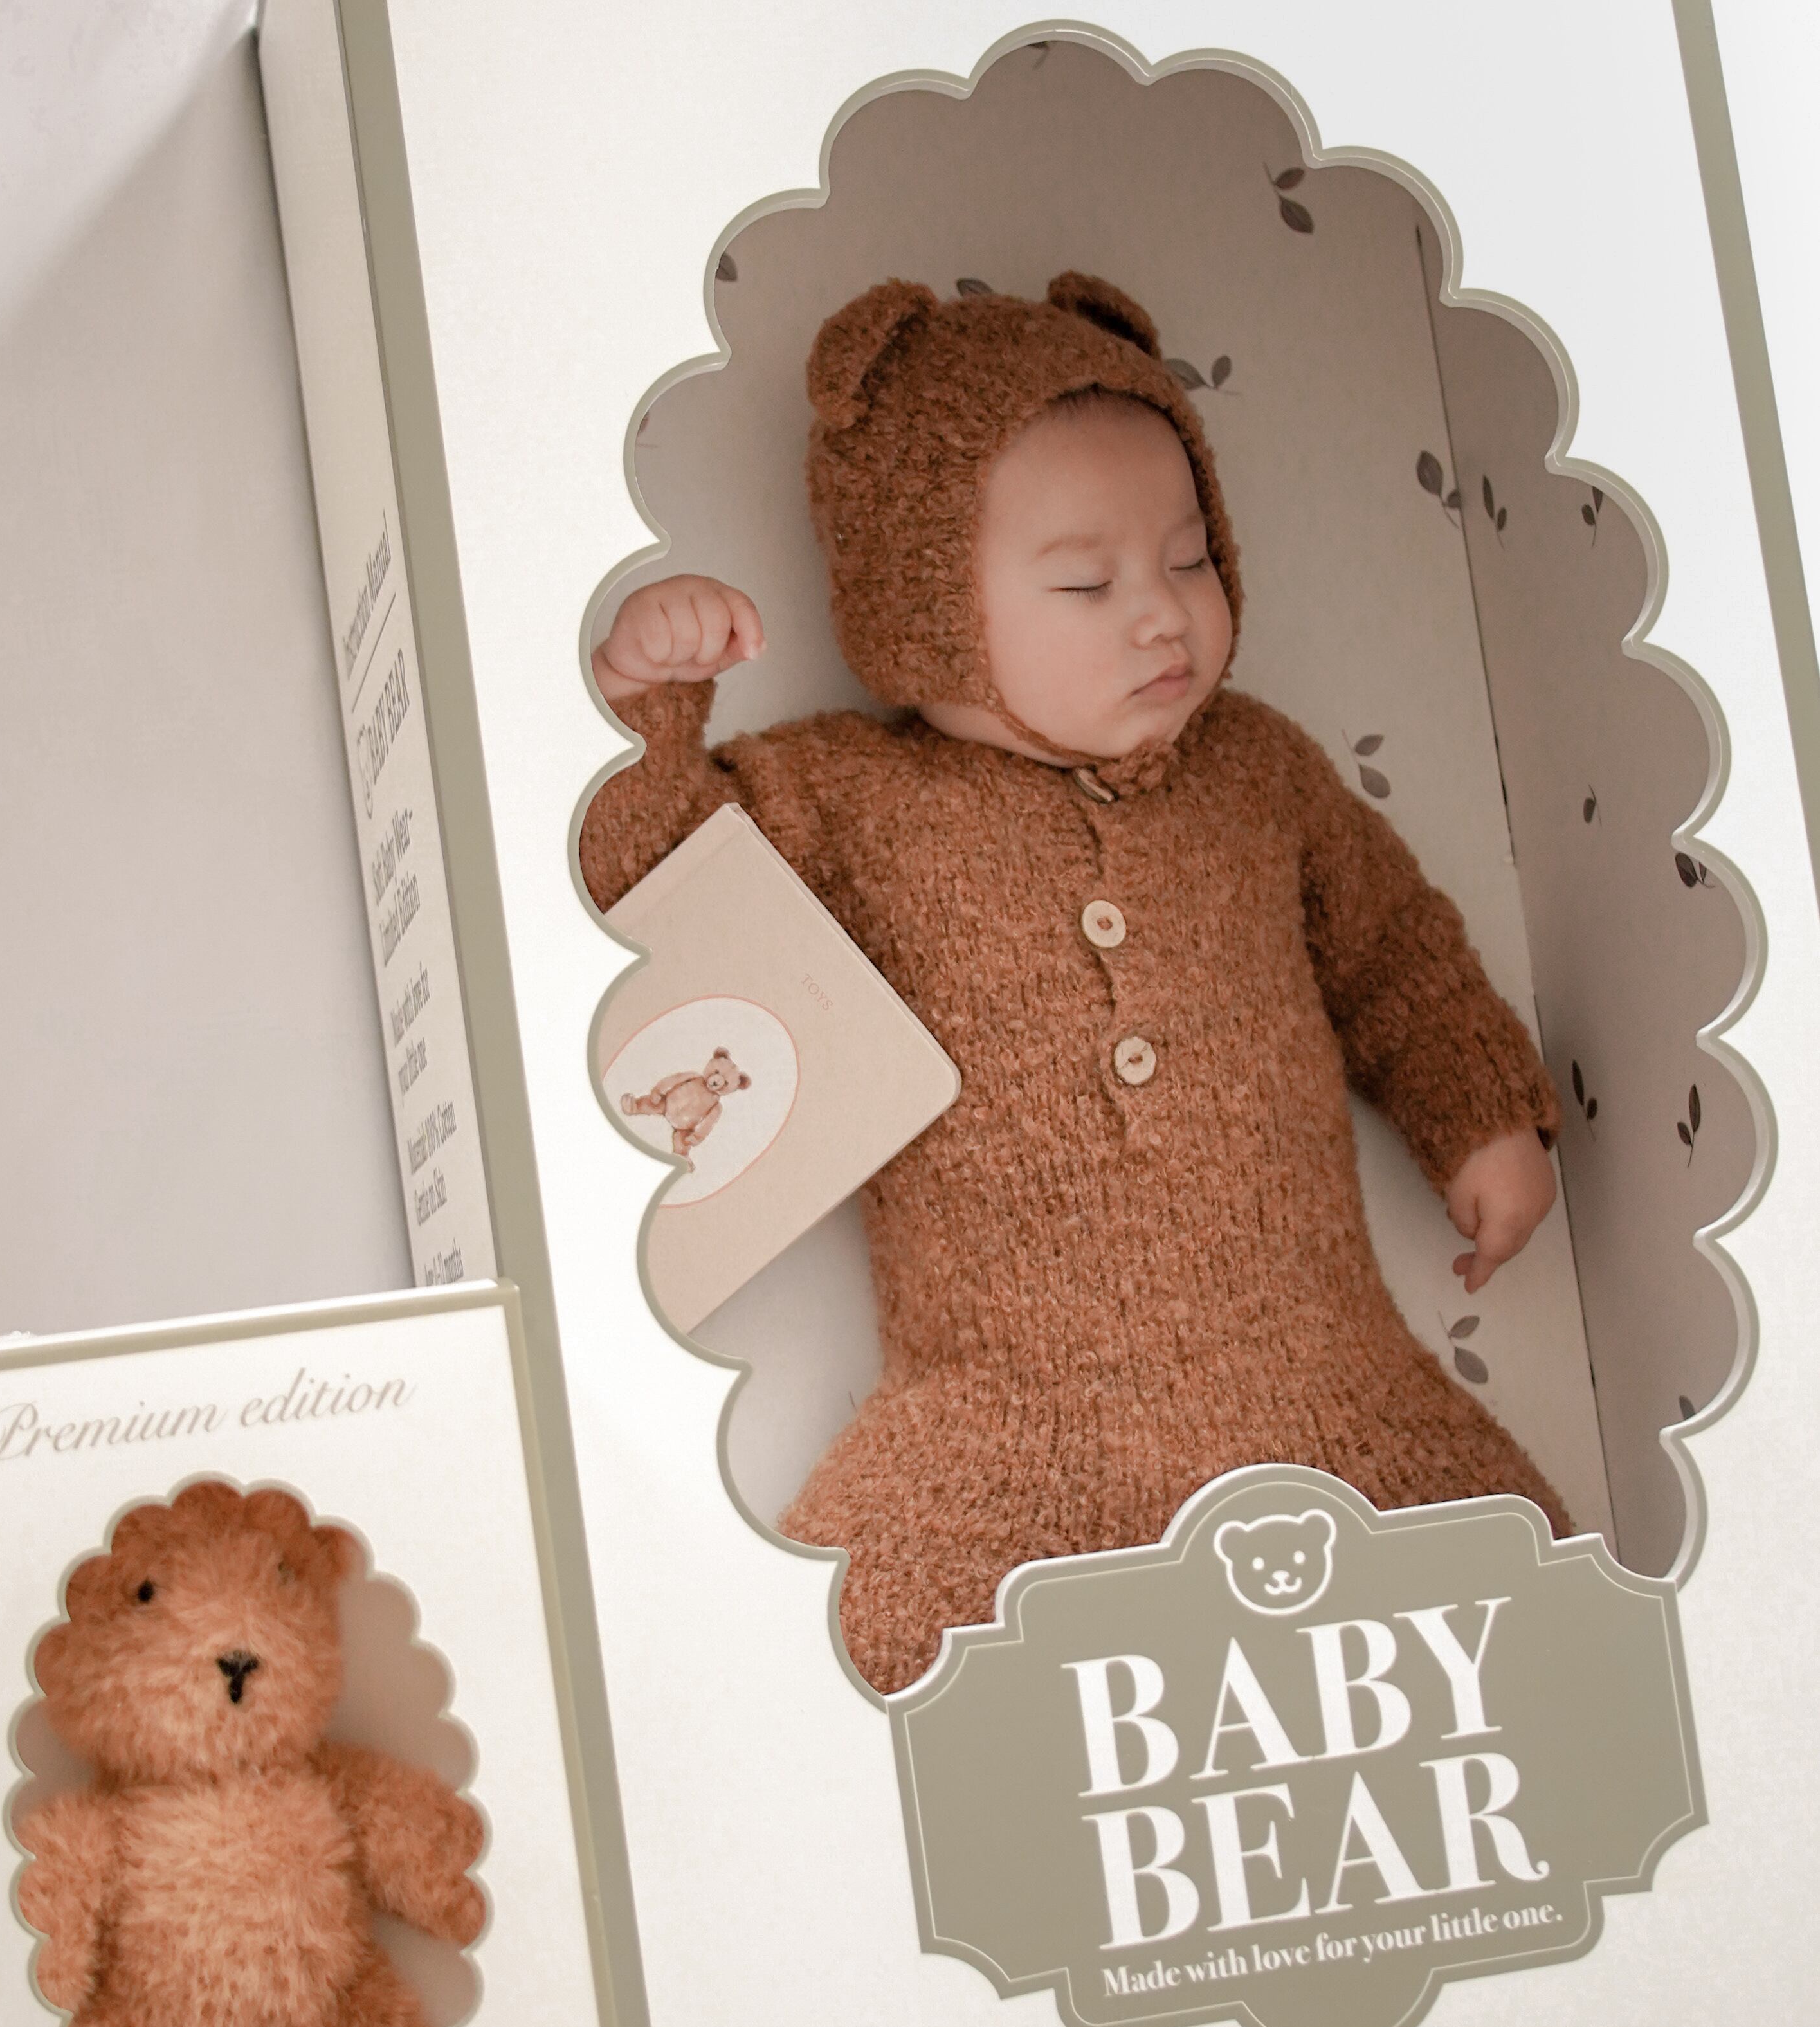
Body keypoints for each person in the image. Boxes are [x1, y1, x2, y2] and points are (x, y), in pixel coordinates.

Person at [581, 273, 1563, 1693]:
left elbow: (1395, 949)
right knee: (823, 1680)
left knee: (1532, 1627)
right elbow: (658, 897)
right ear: (928, 606)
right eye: (1089, 585)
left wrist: (1479, 1117)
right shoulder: (848, 795)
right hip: (1004, 1413)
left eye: (1191, 559)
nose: (1162, 616)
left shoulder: (1258, 769)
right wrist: (653, 718)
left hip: (1321, 1367)